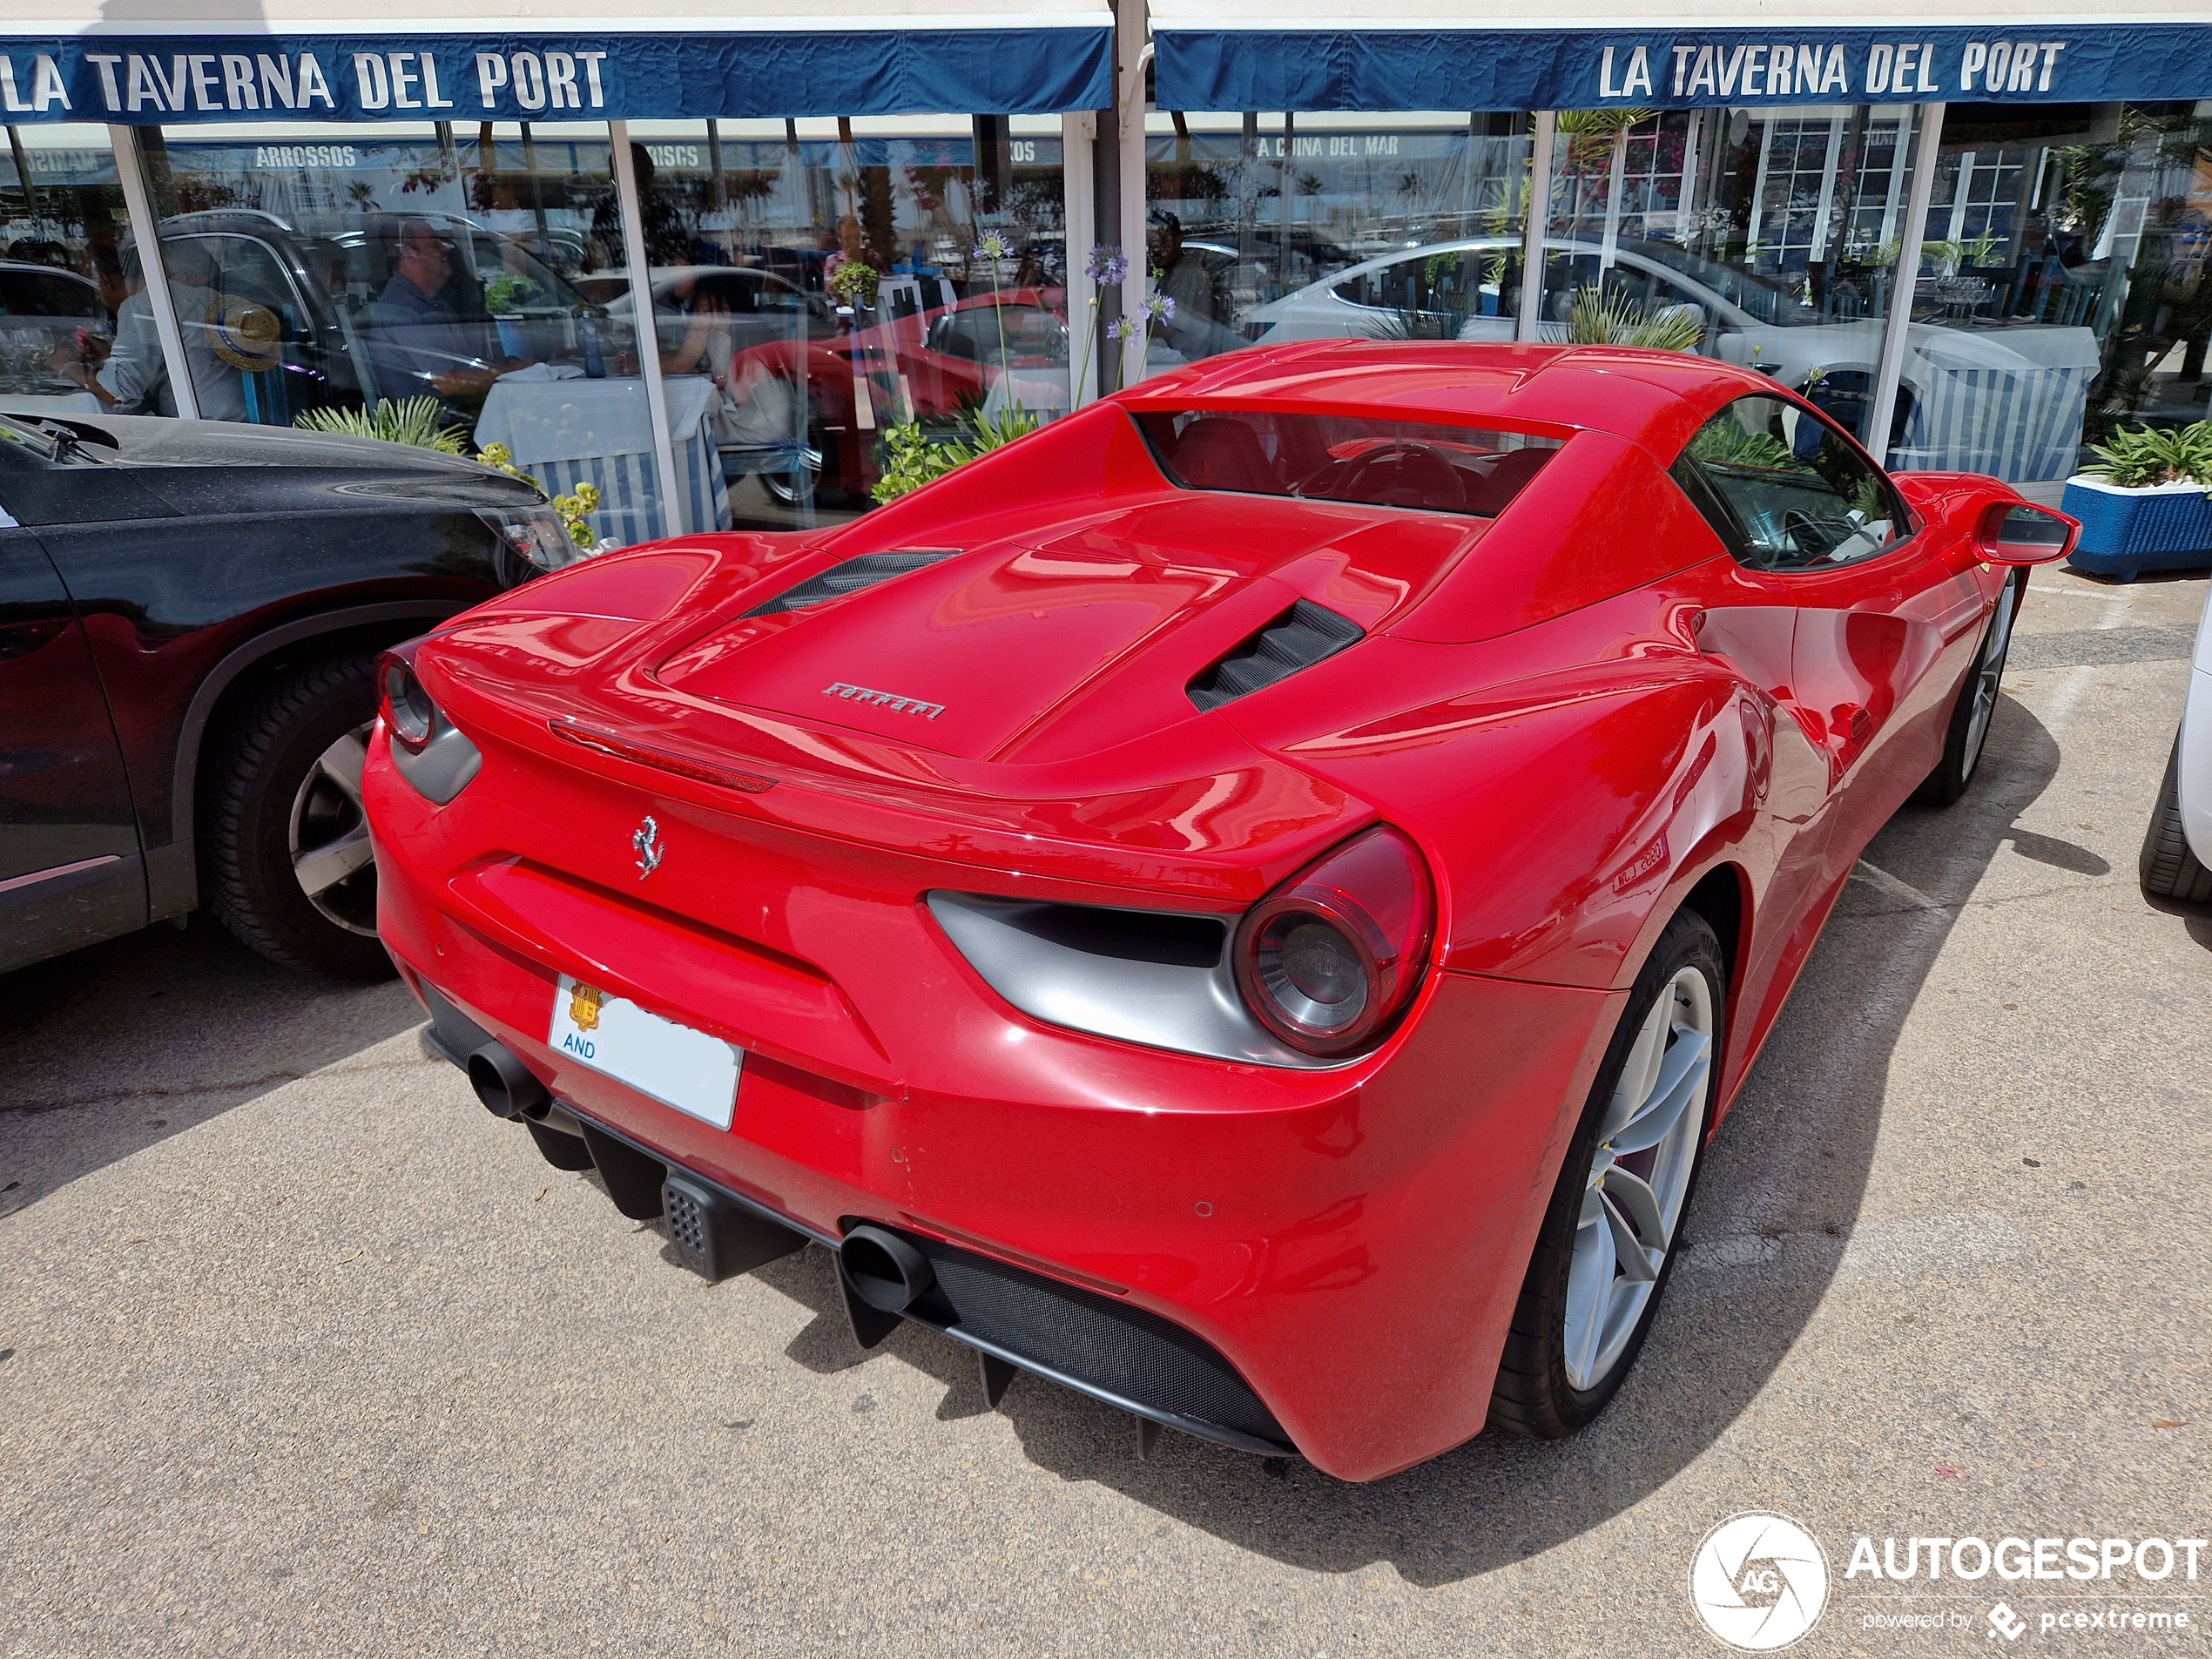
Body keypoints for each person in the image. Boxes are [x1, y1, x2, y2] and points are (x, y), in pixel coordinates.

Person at [48, 239, 247, 421]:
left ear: (104, 279)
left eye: (96, 288)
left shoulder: (140, 307)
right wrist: (109, 354)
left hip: (206, 429)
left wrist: (66, 365)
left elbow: (117, 393)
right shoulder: (200, 295)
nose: (98, 297)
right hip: (239, 420)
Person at [366, 219, 524, 408]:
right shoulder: (405, 310)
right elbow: (448, 382)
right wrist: (512, 371)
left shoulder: (432, 302)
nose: (446, 250)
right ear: (409, 255)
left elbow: (466, 367)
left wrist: (509, 366)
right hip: (439, 426)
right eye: (434, 245)